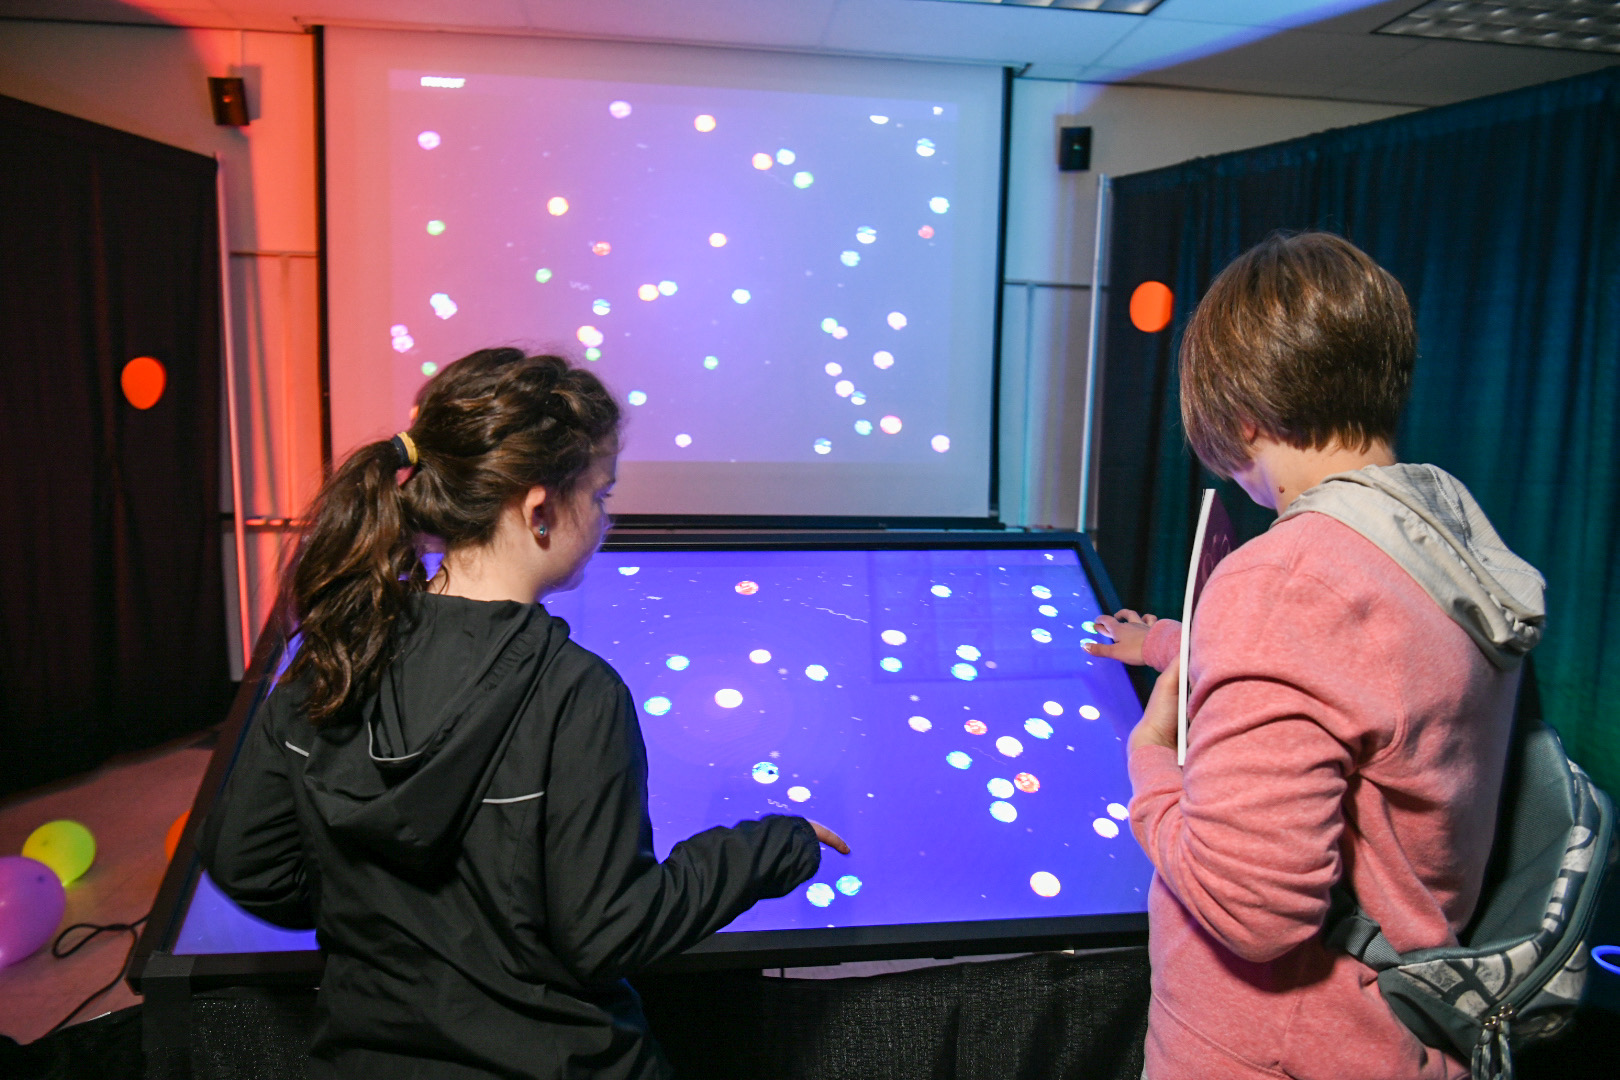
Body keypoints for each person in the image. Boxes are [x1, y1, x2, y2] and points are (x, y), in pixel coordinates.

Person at [199, 348, 849, 1080]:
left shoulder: (332, 657)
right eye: (600, 495)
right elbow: (607, 934)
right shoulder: (578, 694)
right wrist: (772, 849)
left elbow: (247, 861)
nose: (605, 517)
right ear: (539, 509)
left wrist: (380, 918)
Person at [1085, 233, 1545, 1080]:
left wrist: (1150, 763)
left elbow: (1252, 911)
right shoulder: (1438, 534)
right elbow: (1363, 676)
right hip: (1391, 1030)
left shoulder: (1288, 576)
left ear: (1244, 413)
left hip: (1271, 1045)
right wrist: (1166, 642)